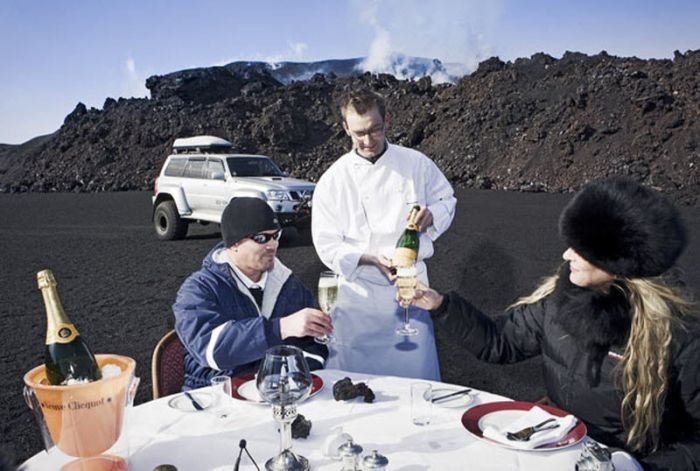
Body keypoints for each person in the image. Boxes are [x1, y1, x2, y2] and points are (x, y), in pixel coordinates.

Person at [410, 177, 699, 469]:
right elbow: (501, 342)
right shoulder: (560, 301)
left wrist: (635, 466)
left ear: (617, 261)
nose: (565, 255)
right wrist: (440, 305)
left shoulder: (678, 336)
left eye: (580, 249)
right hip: (558, 449)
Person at [311, 87, 456, 380]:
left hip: (409, 289)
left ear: (387, 120)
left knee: (414, 380)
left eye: (374, 130)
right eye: (358, 134)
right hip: (356, 300)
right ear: (345, 128)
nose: (367, 141)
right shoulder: (333, 180)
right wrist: (368, 259)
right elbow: (326, 244)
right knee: (353, 383)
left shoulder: (416, 164)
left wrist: (432, 216)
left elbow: (447, 200)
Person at [173, 197, 331, 390]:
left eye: (275, 236)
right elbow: (212, 350)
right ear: (234, 244)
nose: (272, 245)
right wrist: (280, 328)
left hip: (278, 394)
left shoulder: (290, 286)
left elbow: (315, 346)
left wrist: (292, 377)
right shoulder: (198, 289)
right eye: (261, 238)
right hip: (212, 398)